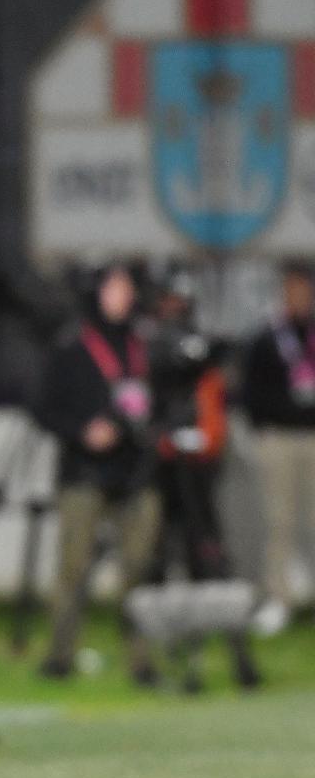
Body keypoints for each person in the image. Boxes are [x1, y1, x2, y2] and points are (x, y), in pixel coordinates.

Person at [33, 263, 161, 685]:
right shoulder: (72, 346)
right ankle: (60, 655)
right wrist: (83, 431)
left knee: (139, 569)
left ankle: (142, 661)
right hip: (84, 473)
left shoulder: (145, 344)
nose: (122, 295)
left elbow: (158, 402)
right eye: (114, 286)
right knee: (74, 568)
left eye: (128, 287)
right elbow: (42, 407)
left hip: (136, 471)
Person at [146, 272, 259, 689]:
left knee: (210, 558)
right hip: (165, 472)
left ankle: (238, 658)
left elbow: (221, 354)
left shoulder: (201, 355)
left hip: (198, 474)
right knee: (161, 561)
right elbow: (162, 366)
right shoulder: (153, 346)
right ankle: (167, 659)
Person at [241, 263, 315, 634]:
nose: (299, 297)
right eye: (293, 290)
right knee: (279, 522)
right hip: (279, 439)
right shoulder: (266, 339)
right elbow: (250, 394)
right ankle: (278, 598)